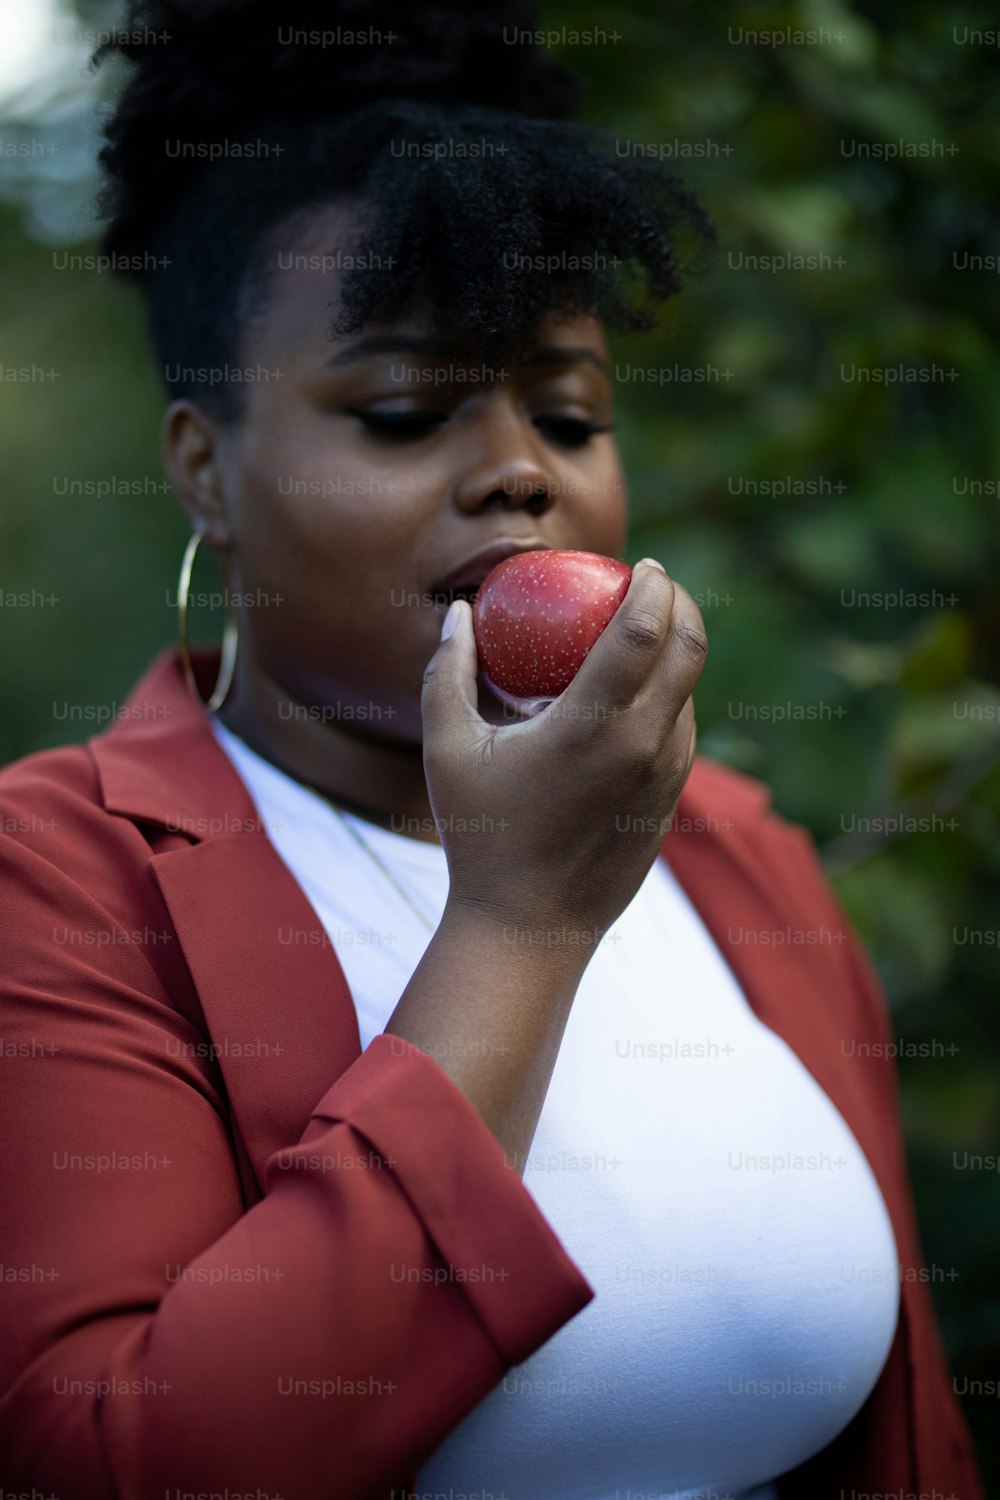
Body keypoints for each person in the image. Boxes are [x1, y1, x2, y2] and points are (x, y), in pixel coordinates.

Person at [0, 3, 984, 1498]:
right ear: (206, 468)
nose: (519, 470)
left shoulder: (738, 857)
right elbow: (138, 1462)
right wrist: (519, 925)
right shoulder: (59, 877)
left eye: (570, 414)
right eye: (404, 413)